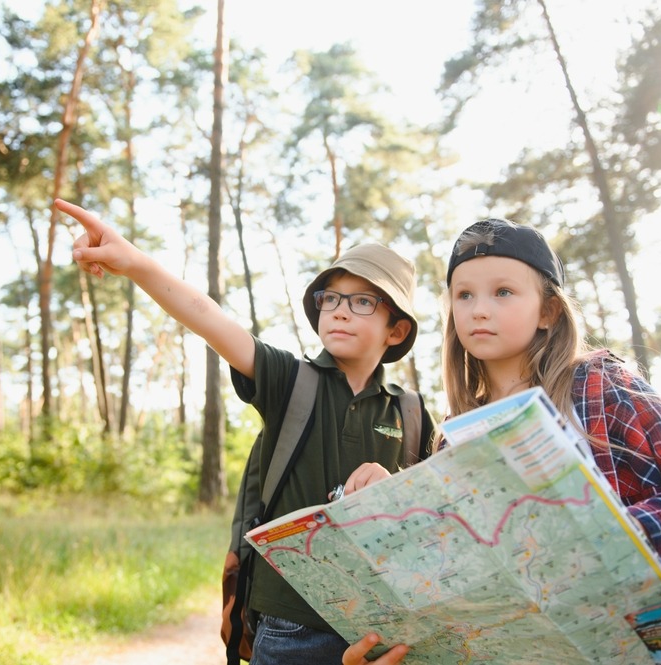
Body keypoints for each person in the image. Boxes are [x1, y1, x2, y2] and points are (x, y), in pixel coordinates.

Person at [342, 218, 661, 665]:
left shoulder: (598, 384)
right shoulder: (452, 437)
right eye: (464, 295)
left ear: (548, 311)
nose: (479, 309)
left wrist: (609, 541)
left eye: (503, 292)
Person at [54, 198, 437, 665]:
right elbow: (208, 317)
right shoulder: (290, 379)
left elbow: (430, 520)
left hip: (376, 629)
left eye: (361, 301)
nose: (338, 311)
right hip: (289, 624)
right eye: (330, 298)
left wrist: (391, 484)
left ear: (395, 331)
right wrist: (134, 263)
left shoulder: (412, 413)